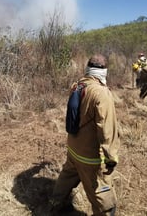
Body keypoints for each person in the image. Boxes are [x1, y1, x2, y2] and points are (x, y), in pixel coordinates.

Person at [50, 54, 120, 216]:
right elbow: (107, 130)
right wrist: (111, 159)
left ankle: (54, 204)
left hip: (74, 149)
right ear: (104, 71)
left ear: (88, 68)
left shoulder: (77, 85)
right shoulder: (102, 93)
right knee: (103, 198)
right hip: (91, 157)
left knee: (66, 178)